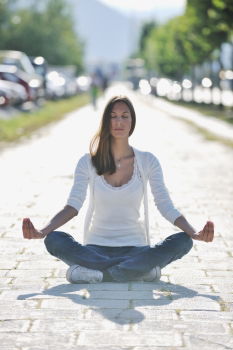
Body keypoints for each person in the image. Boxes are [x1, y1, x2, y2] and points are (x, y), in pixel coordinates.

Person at [22, 96, 214, 284]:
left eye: (125, 116)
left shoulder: (148, 161)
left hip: (137, 249)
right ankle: (135, 271)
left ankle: (100, 273)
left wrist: (193, 232)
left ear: (132, 122)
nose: (119, 122)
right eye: (113, 116)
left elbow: (165, 206)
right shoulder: (88, 162)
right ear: (106, 121)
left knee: (184, 241)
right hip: (95, 250)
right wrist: (43, 231)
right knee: (54, 239)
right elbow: (72, 206)